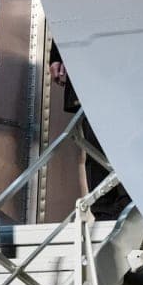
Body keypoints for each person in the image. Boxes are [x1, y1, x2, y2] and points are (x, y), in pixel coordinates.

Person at [49, 42, 130, 220]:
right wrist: (56, 55)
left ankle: (128, 205)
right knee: (94, 143)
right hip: (86, 63)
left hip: (121, 62)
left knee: (124, 137)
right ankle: (105, 210)